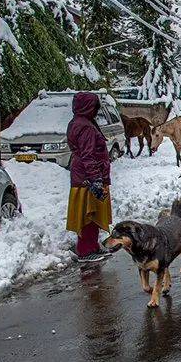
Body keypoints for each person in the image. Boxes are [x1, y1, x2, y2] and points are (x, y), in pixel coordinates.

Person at [65, 91, 113, 262]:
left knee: (93, 213)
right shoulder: (85, 126)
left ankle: (92, 246)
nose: (96, 111)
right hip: (87, 177)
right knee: (88, 214)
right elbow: (88, 155)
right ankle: (85, 250)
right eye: (94, 107)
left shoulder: (81, 122)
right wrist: (96, 179)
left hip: (85, 175)